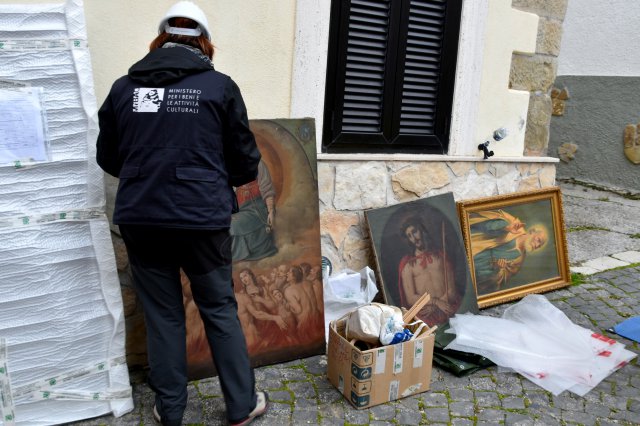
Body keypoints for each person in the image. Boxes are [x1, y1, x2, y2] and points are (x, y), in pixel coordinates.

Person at [95, 2, 268, 425]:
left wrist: (147, 174)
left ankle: (170, 410)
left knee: (162, 315)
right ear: (205, 43)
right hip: (202, 220)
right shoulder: (219, 87)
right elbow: (245, 162)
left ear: (159, 41)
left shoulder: (124, 88)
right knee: (219, 309)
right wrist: (208, 178)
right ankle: (241, 406)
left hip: (141, 218)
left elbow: (108, 156)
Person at [397, 217, 460, 326]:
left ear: (422, 230)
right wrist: (436, 302)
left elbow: (452, 291)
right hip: (425, 315)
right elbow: (410, 298)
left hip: (447, 308)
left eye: (414, 232)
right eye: (409, 236)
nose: (414, 238)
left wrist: (437, 306)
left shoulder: (441, 256)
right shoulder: (408, 265)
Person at [469, 210, 549, 294]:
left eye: (539, 245)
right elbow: (486, 225)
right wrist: (506, 228)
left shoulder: (518, 261)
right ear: (532, 231)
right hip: (473, 246)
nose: (537, 245)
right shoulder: (514, 224)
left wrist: (497, 268)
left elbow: (497, 281)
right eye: (538, 240)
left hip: (478, 270)